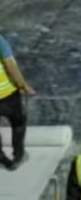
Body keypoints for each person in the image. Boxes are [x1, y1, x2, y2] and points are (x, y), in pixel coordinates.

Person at [0, 32, 34, 171]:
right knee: (18, 122)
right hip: (7, 93)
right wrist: (23, 85)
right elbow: (10, 66)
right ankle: (19, 155)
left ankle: (1, 157)